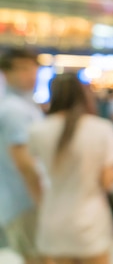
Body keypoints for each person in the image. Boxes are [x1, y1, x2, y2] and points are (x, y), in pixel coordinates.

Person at [28, 73, 113, 264]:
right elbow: (106, 182)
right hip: (91, 219)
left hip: (52, 217)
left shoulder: (38, 130)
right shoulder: (101, 128)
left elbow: (34, 175)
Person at [0, 48, 44, 263]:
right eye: (23, 69)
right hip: (25, 200)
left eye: (33, 68)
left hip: (22, 199)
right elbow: (24, 163)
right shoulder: (14, 110)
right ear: (6, 73)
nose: (31, 74)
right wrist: (42, 200)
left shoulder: (24, 106)